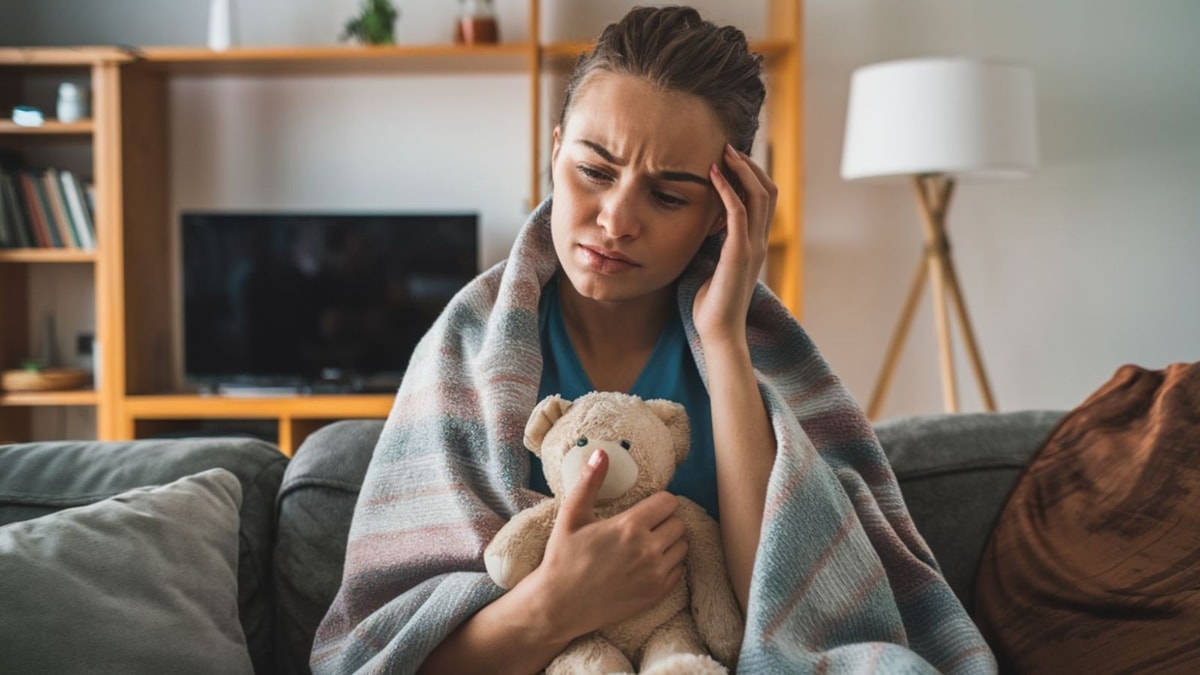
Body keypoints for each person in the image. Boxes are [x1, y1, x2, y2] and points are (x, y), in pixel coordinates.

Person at [312, 7, 995, 675]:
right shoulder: (465, 348)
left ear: (722, 215)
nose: (616, 221)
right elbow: (385, 659)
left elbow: (784, 622)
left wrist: (723, 339)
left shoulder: (755, 355)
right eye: (595, 171)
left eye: (668, 196)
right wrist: (557, 602)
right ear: (556, 150)